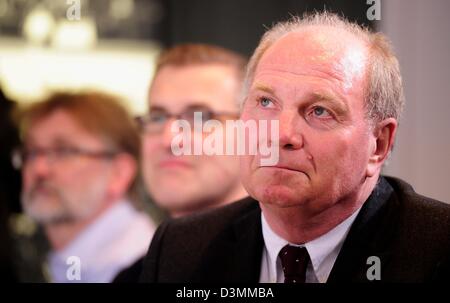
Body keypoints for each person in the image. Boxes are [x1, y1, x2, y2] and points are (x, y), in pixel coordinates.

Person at [139, 12, 450, 283]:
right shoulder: (181, 248)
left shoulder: (434, 249)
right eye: (265, 102)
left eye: (319, 111)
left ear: (379, 144)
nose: (280, 134)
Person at [113, 43, 249, 282]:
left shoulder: (283, 267)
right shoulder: (133, 277)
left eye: (201, 117)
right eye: (157, 117)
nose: (169, 139)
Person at [16, 92, 155, 282]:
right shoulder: (65, 262)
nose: (39, 169)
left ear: (119, 172)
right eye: (32, 152)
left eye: (63, 151)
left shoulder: (145, 268)